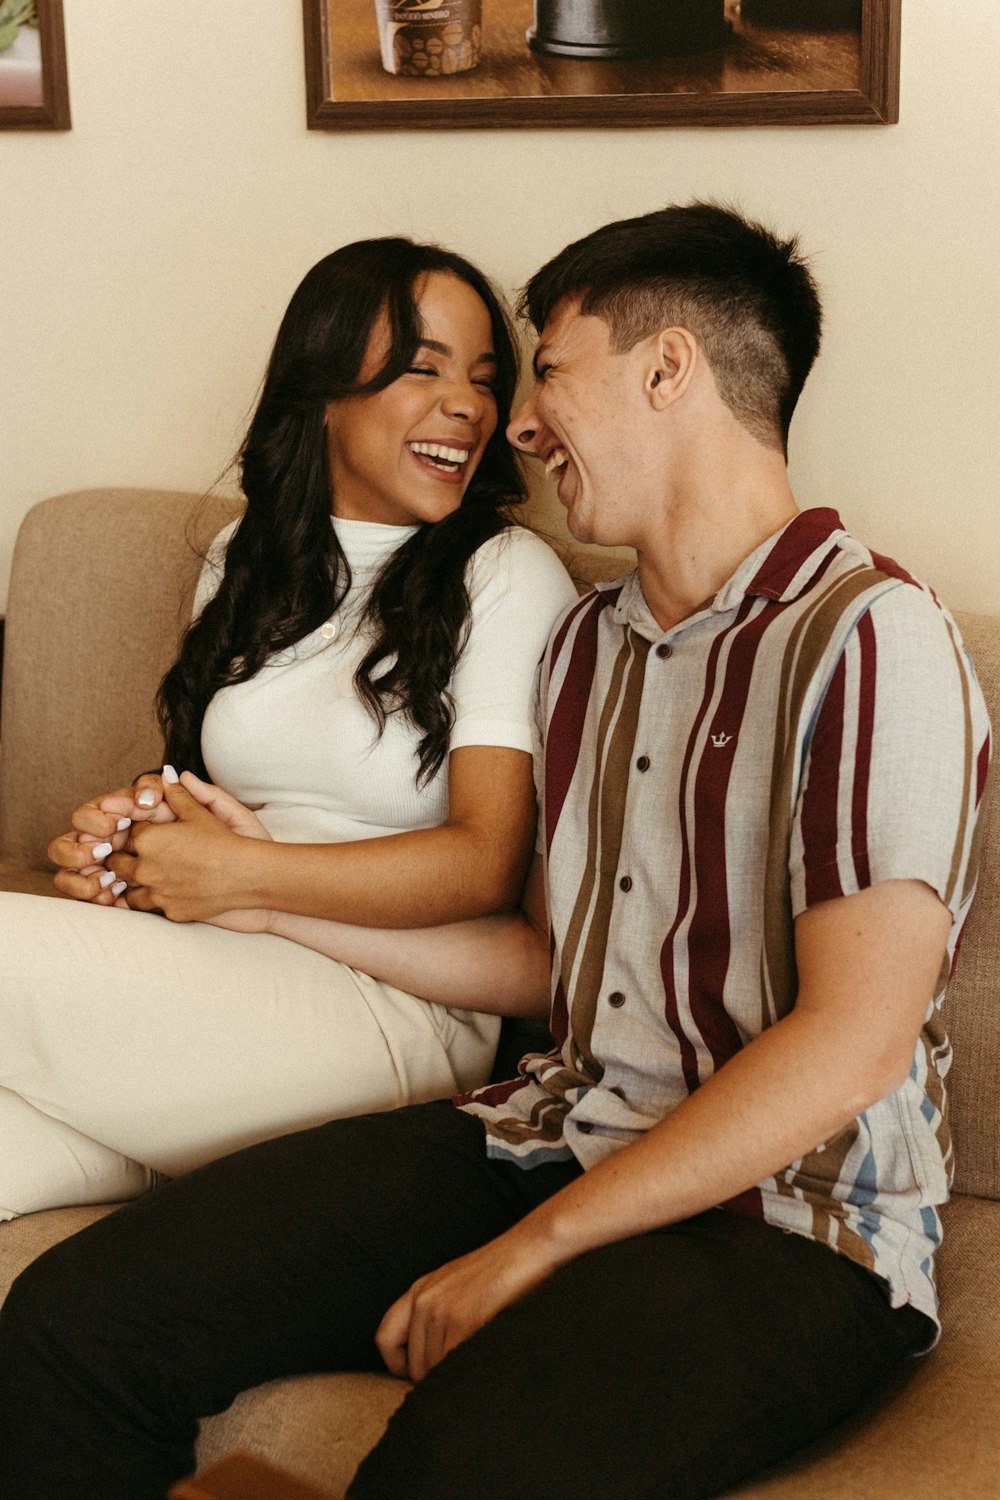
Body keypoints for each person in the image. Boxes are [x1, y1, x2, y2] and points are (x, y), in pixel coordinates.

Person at [0, 203, 991, 1500]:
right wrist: (266, 911)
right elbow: (544, 958)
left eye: (548, 373)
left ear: (667, 369)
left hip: (798, 1216)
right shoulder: (590, 648)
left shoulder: (869, 638)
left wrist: (532, 1251)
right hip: (548, 1129)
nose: (519, 426)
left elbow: (852, 1041)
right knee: (73, 1326)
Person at [0, 236, 577, 1220]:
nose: (470, 405)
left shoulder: (505, 575)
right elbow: (224, 804)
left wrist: (245, 878)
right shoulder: (245, 554)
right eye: (423, 367)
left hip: (395, 1017)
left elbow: (485, 864)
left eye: (483, 378)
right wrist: (133, 844)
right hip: (225, 982)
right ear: (323, 390)